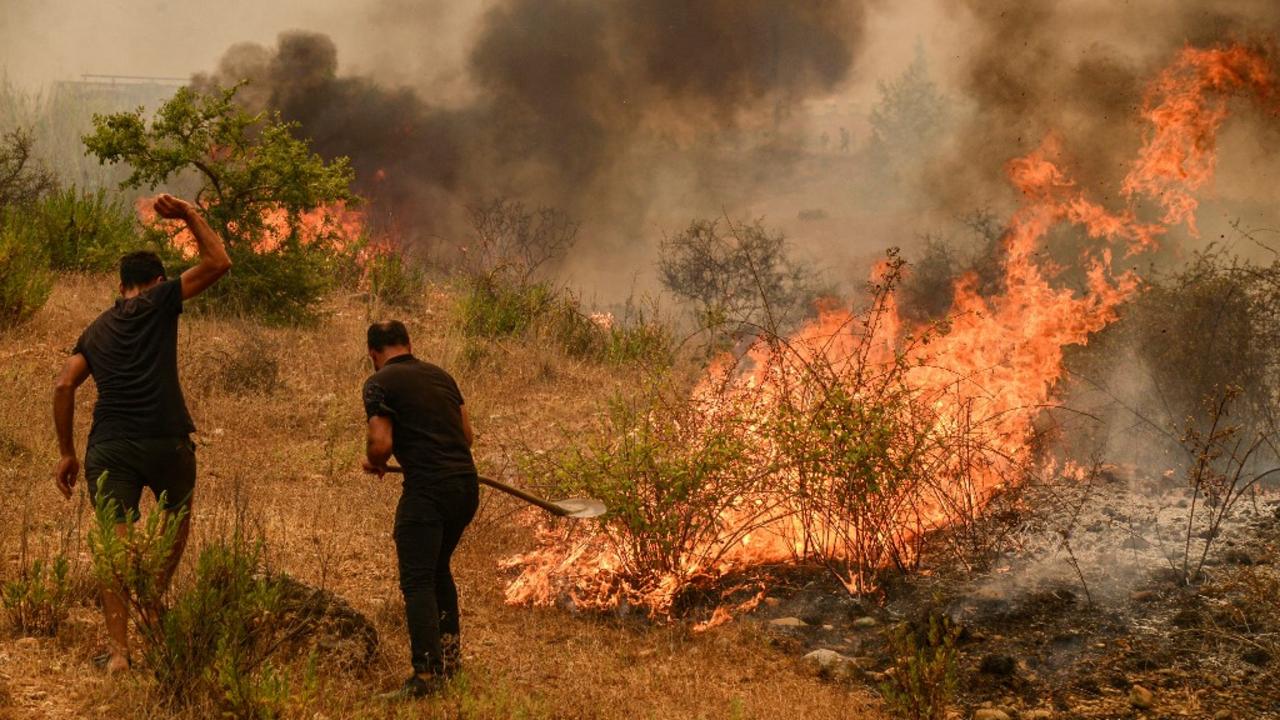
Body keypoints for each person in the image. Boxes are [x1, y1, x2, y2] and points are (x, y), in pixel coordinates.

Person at [52, 194, 231, 673]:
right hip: (166, 440)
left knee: (115, 547)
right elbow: (220, 261)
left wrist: (67, 454)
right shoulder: (161, 299)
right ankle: (153, 599)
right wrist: (191, 214)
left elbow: (64, 384)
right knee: (177, 521)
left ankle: (119, 653)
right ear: (155, 282)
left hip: (108, 448)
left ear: (120, 285)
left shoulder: (95, 329)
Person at [361, 320, 479, 699]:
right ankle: (451, 661)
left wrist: (375, 460)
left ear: (373, 354)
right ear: (410, 343)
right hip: (465, 487)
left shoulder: (379, 383)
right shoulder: (441, 375)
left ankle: (425, 676)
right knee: (438, 569)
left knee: (417, 581)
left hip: (428, 492)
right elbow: (467, 437)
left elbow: (380, 444)